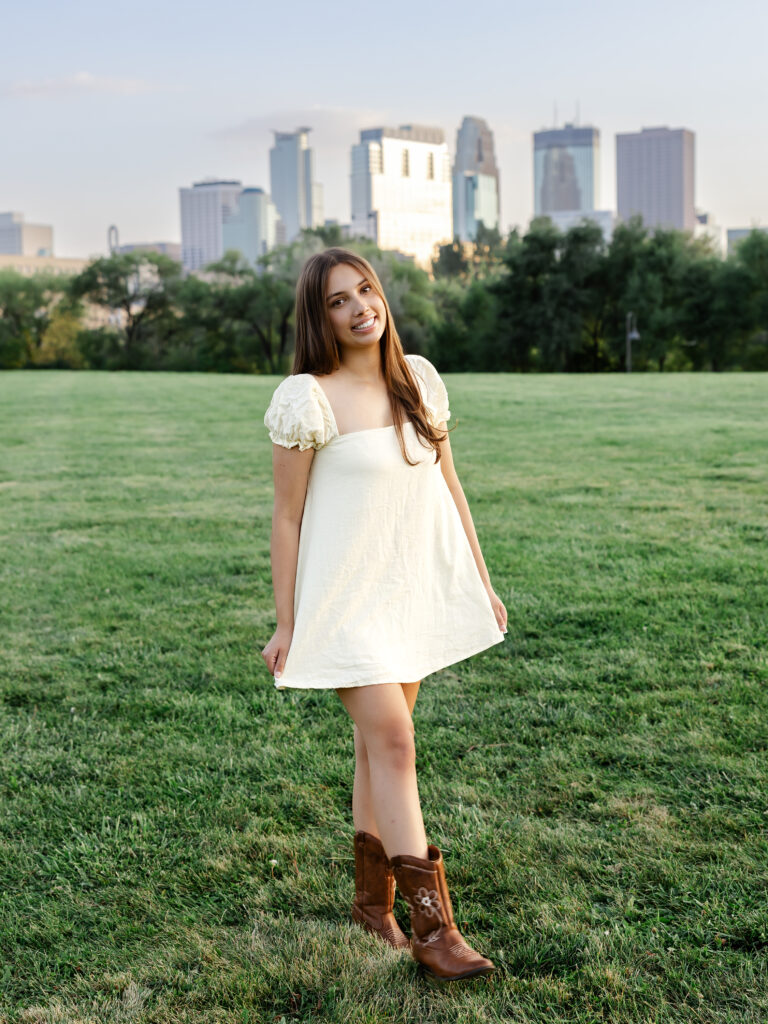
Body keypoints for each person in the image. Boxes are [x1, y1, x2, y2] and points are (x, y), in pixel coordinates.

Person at [261, 248, 508, 982]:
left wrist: (480, 583)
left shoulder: (419, 380)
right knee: (395, 743)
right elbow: (286, 518)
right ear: (320, 316)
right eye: (338, 300)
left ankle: (373, 907)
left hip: (410, 594)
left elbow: (451, 489)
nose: (359, 307)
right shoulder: (308, 397)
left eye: (365, 290)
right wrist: (286, 622)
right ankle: (435, 930)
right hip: (344, 602)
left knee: (378, 748)